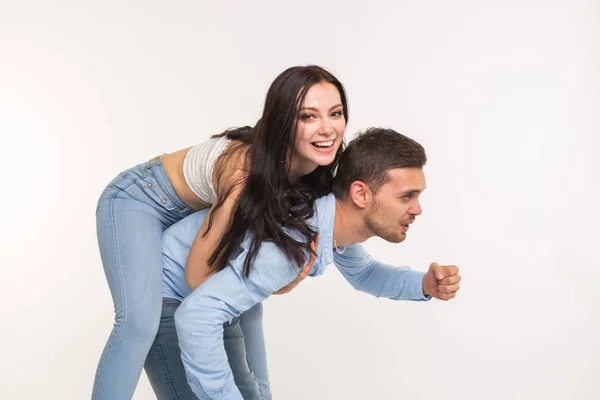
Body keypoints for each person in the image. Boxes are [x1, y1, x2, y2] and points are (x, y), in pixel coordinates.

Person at [92, 65, 349, 400]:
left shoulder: (315, 172)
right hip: (139, 199)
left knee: (248, 306)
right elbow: (199, 278)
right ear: (283, 122)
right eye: (309, 116)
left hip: (193, 215)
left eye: (336, 113)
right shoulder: (245, 175)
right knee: (139, 322)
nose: (328, 128)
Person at [155, 127, 462, 399]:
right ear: (360, 194)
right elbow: (196, 317)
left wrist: (423, 285)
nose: (418, 209)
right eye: (407, 196)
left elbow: (365, 273)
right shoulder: (295, 243)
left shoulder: (332, 223)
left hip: (223, 298)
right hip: (169, 295)